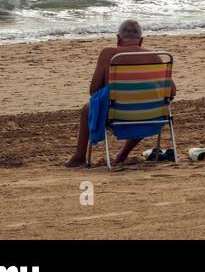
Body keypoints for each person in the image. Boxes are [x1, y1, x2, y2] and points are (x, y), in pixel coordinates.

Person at [65, 19, 176, 168]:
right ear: (141, 41)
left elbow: (93, 91)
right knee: (146, 102)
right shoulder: (154, 56)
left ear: (118, 39)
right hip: (150, 116)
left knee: (87, 109)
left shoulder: (109, 54)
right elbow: (171, 91)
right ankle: (123, 154)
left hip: (117, 114)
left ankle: (79, 157)